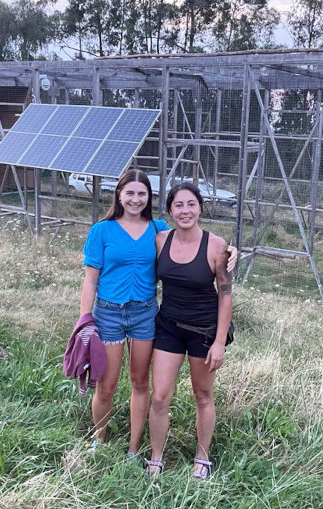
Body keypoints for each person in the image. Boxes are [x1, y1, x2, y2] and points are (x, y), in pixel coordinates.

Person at [79, 170, 236, 459]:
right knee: (106, 384)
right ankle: (98, 439)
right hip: (110, 314)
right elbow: (90, 279)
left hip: (145, 314)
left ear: (148, 198)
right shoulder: (102, 230)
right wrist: (84, 320)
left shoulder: (156, 230)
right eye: (130, 193)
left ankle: (134, 448)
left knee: (140, 383)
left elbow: (196, 239)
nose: (135, 199)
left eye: (141, 194)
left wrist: (231, 250)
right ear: (119, 195)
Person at [146, 181, 233, 479]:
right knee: (159, 397)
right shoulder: (160, 240)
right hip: (168, 327)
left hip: (204, 332)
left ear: (200, 207)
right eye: (178, 205)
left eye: (191, 204)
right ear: (170, 210)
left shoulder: (216, 245)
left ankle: (202, 458)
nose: (185, 211)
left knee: (203, 395)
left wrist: (219, 342)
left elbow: (225, 294)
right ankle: (155, 457)